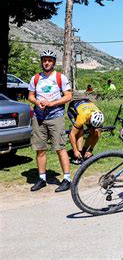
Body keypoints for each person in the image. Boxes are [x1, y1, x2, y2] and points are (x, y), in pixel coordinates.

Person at [27, 50, 73, 192]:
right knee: (40, 148)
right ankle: (42, 179)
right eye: (44, 60)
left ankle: (66, 179)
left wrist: (53, 103)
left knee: (60, 147)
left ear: (54, 62)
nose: (47, 62)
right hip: (39, 117)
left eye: (49, 60)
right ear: (41, 62)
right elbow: (30, 96)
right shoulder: (35, 78)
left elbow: (68, 96)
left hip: (56, 116)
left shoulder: (60, 77)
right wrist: (37, 101)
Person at [67, 99, 105, 164]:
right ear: (90, 118)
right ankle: (78, 155)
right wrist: (75, 151)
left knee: (96, 131)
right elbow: (72, 135)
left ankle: (85, 151)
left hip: (87, 103)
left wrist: (90, 150)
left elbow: (97, 134)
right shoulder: (83, 116)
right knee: (79, 132)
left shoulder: (100, 117)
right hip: (74, 108)